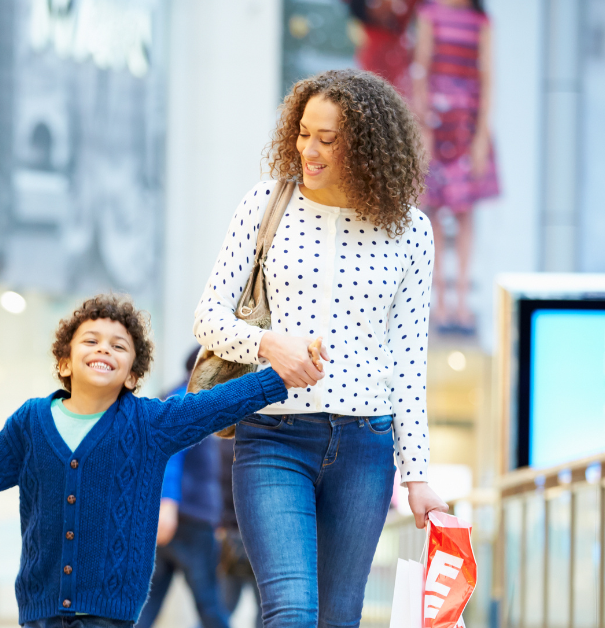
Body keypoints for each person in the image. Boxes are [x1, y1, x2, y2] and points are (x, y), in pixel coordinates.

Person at [192, 69, 448, 627]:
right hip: (274, 437)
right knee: (291, 610)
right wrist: (266, 343)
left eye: (328, 139)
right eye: (304, 132)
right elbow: (207, 321)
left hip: (367, 445)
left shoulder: (412, 231)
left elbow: (407, 360)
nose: (309, 149)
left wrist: (418, 475)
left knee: (338, 617)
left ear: (367, 146)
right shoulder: (265, 204)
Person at [0, 295, 291, 628]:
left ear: (133, 376)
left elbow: (215, 405)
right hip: (40, 611)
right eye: (91, 341)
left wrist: (280, 376)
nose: (104, 349)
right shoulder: (31, 421)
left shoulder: (150, 423)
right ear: (64, 362)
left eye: (119, 346)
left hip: (110, 615)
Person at [412, 0, 498, 334]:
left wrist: (480, 135)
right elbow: (421, 70)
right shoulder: (429, 15)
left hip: (467, 123)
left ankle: (461, 300)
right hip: (436, 123)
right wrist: (424, 128)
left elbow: (487, 79)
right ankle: (439, 300)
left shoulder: (480, 21)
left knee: (464, 213)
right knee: (431, 212)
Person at [137, 350, 227, 628]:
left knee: (146, 605)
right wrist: (167, 504)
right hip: (186, 519)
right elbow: (171, 456)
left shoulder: (182, 398)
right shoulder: (187, 400)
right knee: (209, 604)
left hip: (179, 518)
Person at [215, 438, 261, 628]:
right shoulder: (258, 444)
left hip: (230, 535)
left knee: (223, 607)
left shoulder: (221, 445)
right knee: (268, 610)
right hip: (258, 537)